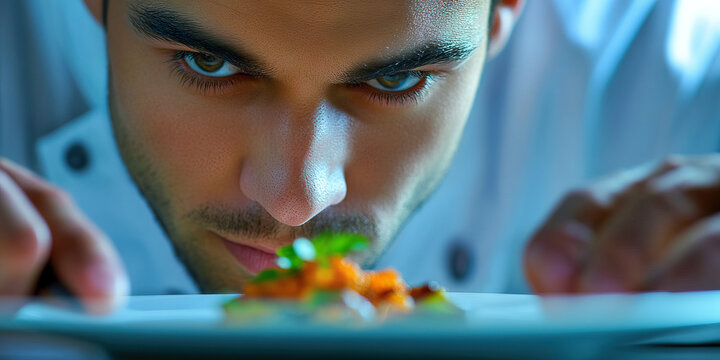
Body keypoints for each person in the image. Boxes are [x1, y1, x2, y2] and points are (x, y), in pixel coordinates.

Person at [0, 0, 719, 315]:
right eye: (208, 65)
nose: (297, 199)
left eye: (394, 80)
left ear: (506, 8)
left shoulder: (655, 69)